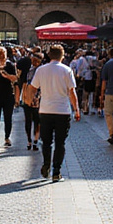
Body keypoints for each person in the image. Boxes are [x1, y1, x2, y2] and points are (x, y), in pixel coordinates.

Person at [29, 44, 80, 182]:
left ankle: (46, 165)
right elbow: (72, 92)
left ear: (49, 55)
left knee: (46, 142)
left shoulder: (41, 70)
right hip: (62, 111)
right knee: (60, 142)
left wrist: (30, 100)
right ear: (62, 56)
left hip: (45, 110)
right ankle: (56, 171)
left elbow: (32, 88)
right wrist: (76, 109)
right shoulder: (67, 70)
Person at [20, 53, 42, 149]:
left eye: (36, 60)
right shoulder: (28, 70)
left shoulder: (42, 70)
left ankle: (35, 140)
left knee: (37, 120)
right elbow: (22, 82)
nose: (34, 62)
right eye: (33, 60)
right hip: (28, 96)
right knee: (28, 120)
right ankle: (30, 140)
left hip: (38, 97)